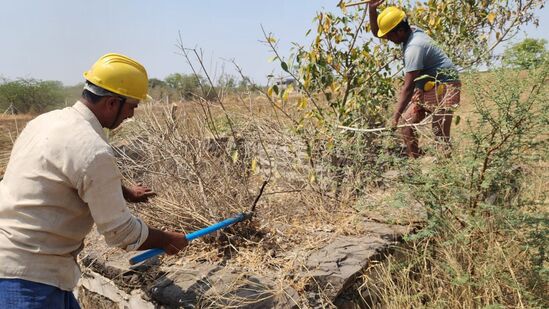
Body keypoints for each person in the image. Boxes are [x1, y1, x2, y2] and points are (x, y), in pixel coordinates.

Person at [0, 53, 188, 308]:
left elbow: (70, 172)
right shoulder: (93, 148)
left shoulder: (45, 122)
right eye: (131, 106)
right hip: (29, 281)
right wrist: (168, 240)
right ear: (112, 103)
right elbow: (121, 233)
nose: (131, 115)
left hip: (28, 267)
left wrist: (124, 192)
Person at [369, 1, 461, 158]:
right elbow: (378, 31)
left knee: (440, 133)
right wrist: (372, 9)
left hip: (446, 85)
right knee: (407, 124)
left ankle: (447, 172)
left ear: (399, 31)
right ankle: (416, 165)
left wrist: (395, 117)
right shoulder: (409, 31)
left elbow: (408, 87)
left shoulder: (414, 47)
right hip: (428, 86)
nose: (387, 38)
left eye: (389, 35)